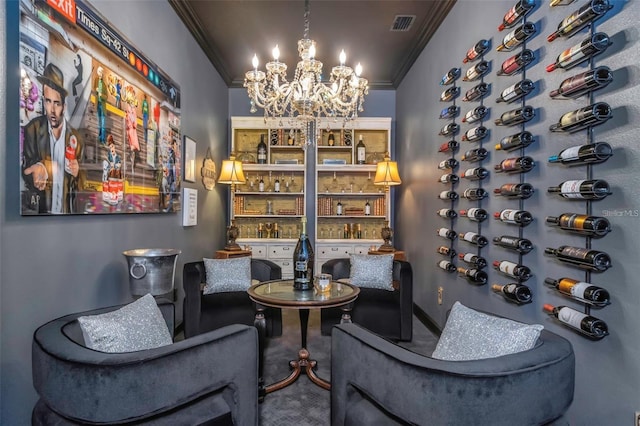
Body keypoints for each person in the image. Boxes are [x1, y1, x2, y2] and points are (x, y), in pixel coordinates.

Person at [22, 63, 83, 214]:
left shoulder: (75, 138)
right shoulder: (32, 129)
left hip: (66, 217)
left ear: (64, 106)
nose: (52, 110)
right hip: (41, 216)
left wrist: (77, 173)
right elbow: (25, 170)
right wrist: (36, 170)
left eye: (57, 103)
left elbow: (82, 185)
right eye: (48, 101)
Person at [95, 66, 107, 144]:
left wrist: (101, 95)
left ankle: (103, 140)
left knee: (103, 123)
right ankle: (99, 138)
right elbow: (94, 89)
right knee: (98, 123)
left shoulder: (104, 85)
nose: (100, 73)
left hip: (102, 105)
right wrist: (96, 91)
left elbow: (106, 97)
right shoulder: (96, 81)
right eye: (99, 72)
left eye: (102, 72)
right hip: (97, 104)